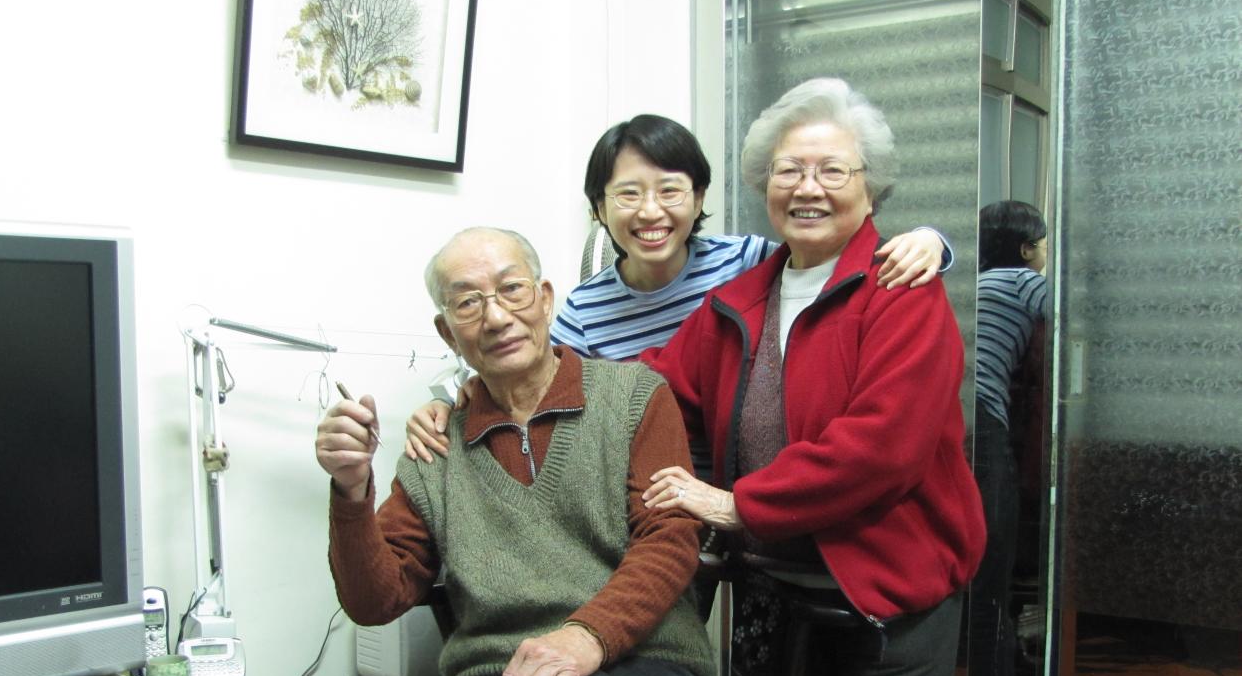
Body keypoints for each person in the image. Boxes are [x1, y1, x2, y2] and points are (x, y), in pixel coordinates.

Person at [637, 78, 986, 676]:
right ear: (763, 185)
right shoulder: (745, 292)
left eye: (833, 169)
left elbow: (882, 448)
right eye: (790, 169)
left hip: (886, 590)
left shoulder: (901, 289)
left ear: (871, 186)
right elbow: (650, 387)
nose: (810, 186)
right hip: (773, 584)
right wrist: (489, 386)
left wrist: (736, 502)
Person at [315, 226, 719, 676]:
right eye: (467, 302)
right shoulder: (437, 448)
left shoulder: (634, 397)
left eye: (508, 290)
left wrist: (585, 637)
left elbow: (671, 539)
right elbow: (377, 598)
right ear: (447, 330)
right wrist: (350, 492)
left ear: (543, 298)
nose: (494, 315)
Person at [402, 113, 952, 465]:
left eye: (670, 190)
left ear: (698, 196)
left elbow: (831, 263)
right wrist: (447, 405)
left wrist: (931, 241)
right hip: (639, 488)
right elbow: (524, 378)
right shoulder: (583, 310)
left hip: (735, 491)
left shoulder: (748, 266)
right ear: (598, 208)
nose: (651, 212)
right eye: (627, 195)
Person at [967, 199, 1049, 676]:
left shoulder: (969, 284)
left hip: (945, 425)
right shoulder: (1023, 282)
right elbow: (1079, 320)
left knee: (969, 588)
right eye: (1042, 244)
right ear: (1026, 249)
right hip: (984, 429)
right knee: (991, 592)